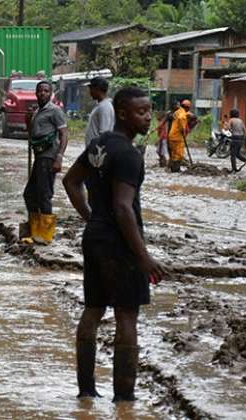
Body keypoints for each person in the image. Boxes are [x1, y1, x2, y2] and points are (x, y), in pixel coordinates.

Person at [63, 87, 166, 402]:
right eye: (140, 111)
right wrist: (144, 257)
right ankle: (124, 398)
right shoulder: (128, 155)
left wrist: (91, 218)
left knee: (93, 309)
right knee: (126, 314)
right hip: (119, 242)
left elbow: (70, 181)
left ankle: (86, 391)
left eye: (149, 110)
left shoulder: (98, 144)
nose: (147, 117)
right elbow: (123, 208)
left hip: (95, 237)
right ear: (122, 113)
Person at [22, 81, 69, 245]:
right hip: (39, 156)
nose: (42, 93)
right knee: (29, 195)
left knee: (44, 195)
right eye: (40, 91)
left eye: (46, 91)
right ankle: (35, 232)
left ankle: (46, 236)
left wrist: (59, 157)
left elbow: (64, 134)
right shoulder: (37, 112)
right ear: (36, 93)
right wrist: (28, 120)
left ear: (51, 94)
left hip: (48, 157)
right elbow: (32, 134)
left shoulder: (55, 111)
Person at [84, 77, 114, 147]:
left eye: (91, 89)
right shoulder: (100, 105)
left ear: (97, 89)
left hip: (97, 150)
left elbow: (104, 133)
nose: (90, 92)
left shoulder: (104, 107)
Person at [167, 99, 192, 172]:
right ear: (187, 107)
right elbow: (182, 118)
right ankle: (176, 169)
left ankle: (173, 168)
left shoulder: (178, 111)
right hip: (177, 137)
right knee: (179, 154)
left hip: (172, 135)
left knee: (174, 153)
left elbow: (180, 116)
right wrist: (182, 129)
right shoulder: (182, 114)